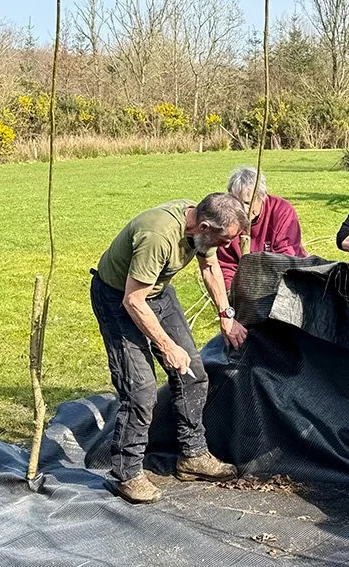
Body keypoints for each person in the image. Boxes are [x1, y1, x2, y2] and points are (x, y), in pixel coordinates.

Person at [90, 193, 248, 504]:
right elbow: (133, 301)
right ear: (203, 226)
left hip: (157, 295)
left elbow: (210, 268)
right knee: (141, 391)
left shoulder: (202, 230)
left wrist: (226, 314)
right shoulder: (158, 237)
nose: (228, 246)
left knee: (194, 374)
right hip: (119, 298)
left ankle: (193, 456)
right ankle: (127, 473)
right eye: (225, 239)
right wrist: (167, 346)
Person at [218, 167, 308, 290]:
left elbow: (286, 258)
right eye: (237, 203)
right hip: (244, 288)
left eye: (248, 203)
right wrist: (233, 293)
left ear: (262, 197)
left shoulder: (282, 211)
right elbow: (226, 265)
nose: (243, 210)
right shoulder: (226, 218)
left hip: (283, 282)